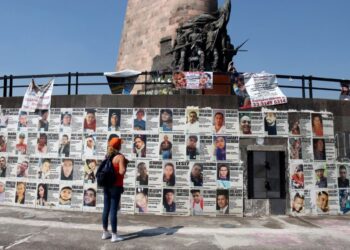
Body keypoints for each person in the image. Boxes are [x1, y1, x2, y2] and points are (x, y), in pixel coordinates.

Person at [102, 137, 126, 242]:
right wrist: (124, 165)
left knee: (106, 209)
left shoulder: (107, 156)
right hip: (115, 186)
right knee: (113, 211)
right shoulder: (120, 157)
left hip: (106, 185)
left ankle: (105, 233)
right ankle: (114, 235)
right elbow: (122, 172)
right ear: (118, 146)